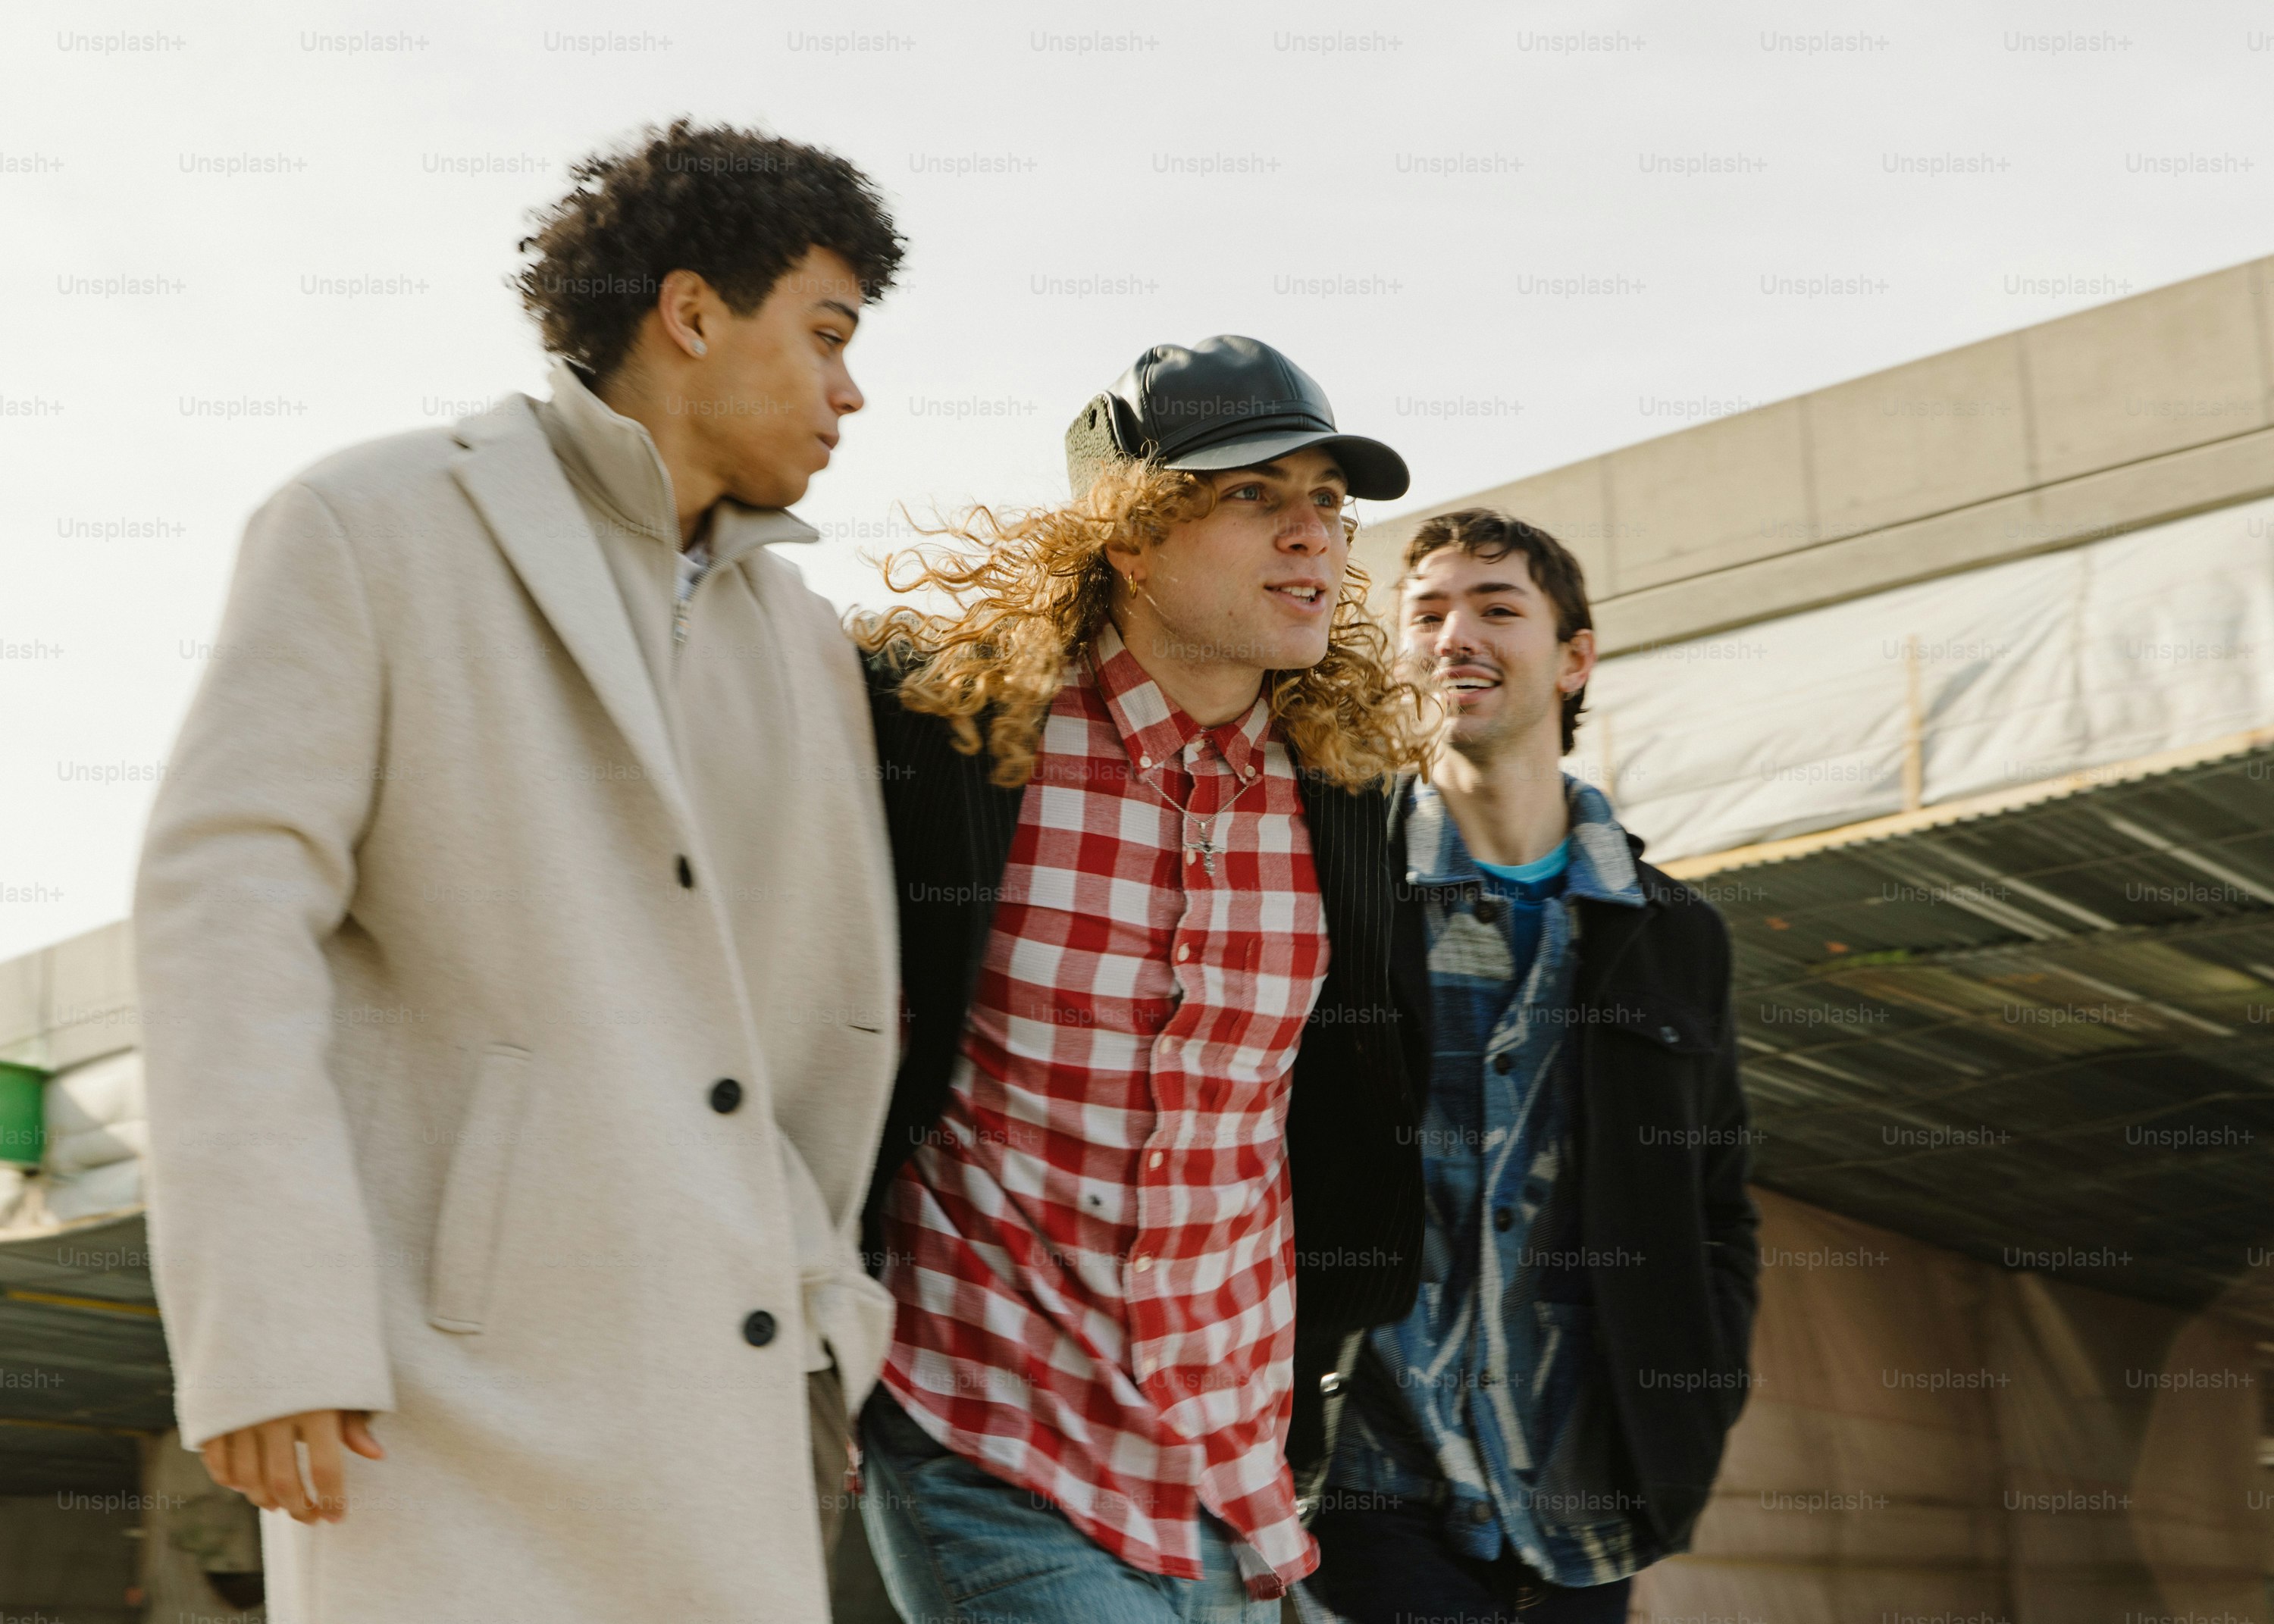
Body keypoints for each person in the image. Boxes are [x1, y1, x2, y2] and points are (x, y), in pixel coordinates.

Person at [134, 120, 905, 1623]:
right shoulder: (370, 522)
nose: (849, 388)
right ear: (691, 313)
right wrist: (268, 1323)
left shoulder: (805, 636)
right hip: (433, 1404)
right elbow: (222, 914)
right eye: (824, 334)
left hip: (734, 1389)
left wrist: (829, 1317)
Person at [849, 336, 1433, 1622]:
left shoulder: (1346, 793)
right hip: (986, 1430)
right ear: (1127, 536)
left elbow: (1341, 1109)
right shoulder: (946, 741)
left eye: (1327, 501)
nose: (1312, 538)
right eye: (1251, 495)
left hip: (1235, 1467)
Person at [1305, 508, 1761, 1624]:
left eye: (1497, 608)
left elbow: (1716, 1209)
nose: (1455, 634)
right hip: (1368, 1488)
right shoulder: (1336, 884)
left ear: (1574, 656)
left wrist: (1691, 1407)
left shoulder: (1671, 933)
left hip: (1582, 1509)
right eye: (1426, 613)